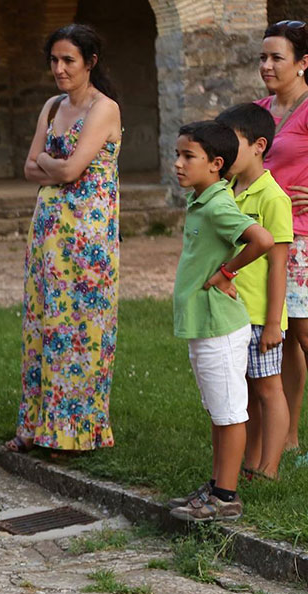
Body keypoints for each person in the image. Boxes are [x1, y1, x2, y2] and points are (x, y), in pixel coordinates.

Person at [9, 24, 122, 453]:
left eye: (68, 60)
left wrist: (50, 163)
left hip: (87, 235)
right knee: (43, 324)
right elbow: (28, 168)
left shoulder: (103, 108)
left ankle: (77, 432)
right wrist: (53, 164)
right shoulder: (53, 105)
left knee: (80, 328)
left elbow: (72, 170)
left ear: (90, 62)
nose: (59, 69)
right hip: (48, 230)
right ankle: (39, 427)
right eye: (54, 60)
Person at [167, 120, 273, 522]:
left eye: (187, 156)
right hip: (205, 326)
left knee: (229, 413)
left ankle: (226, 497)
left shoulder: (218, 205)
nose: (178, 163)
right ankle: (215, 485)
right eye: (177, 154)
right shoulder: (202, 200)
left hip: (220, 328)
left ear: (216, 164)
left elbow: (262, 240)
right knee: (218, 411)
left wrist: (226, 272)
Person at [215, 104, 293, 479]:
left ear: (259, 145)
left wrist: (275, 323)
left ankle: (271, 467)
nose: (223, 153)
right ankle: (250, 463)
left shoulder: (273, 198)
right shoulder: (226, 192)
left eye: (232, 144)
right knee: (244, 392)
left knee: (268, 389)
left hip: (261, 316)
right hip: (231, 313)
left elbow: (278, 265)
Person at [256, 21, 308, 454]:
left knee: (306, 333)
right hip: (264, 238)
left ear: (303, 63)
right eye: (262, 57)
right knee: (285, 336)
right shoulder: (258, 111)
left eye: (277, 57)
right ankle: (288, 436)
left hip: (303, 238)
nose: (266, 65)